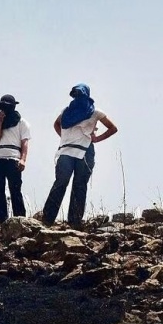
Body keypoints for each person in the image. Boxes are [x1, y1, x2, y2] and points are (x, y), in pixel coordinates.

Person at [42, 84, 118, 227]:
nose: (78, 98)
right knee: (60, 183)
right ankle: (47, 219)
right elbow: (56, 124)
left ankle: (75, 221)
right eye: (76, 95)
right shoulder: (66, 111)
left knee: (79, 185)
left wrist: (97, 139)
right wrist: (64, 139)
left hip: (85, 151)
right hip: (66, 152)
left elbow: (113, 128)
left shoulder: (95, 112)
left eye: (81, 95)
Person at [0, 95, 31, 223]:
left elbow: (25, 143)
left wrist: (23, 159)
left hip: (13, 158)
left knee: (15, 189)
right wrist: (0, 122)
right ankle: (0, 221)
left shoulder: (22, 122)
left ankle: (20, 220)